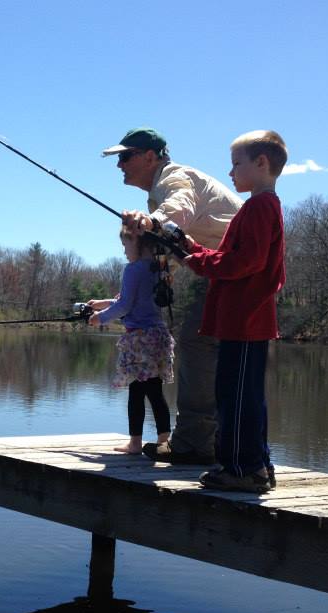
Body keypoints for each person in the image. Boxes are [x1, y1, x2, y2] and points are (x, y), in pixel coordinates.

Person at [103, 127, 242, 464]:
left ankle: (195, 443)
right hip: (229, 273)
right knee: (210, 349)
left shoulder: (174, 178)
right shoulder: (158, 191)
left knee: (197, 342)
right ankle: (216, 440)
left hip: (233, 272)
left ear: (151, 156)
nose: (119, 165)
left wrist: (153, 221)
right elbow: (170, 255)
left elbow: (180, 207)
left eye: (126, 156)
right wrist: (116, 302)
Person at [181, 130, 287, 493]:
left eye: (236, 164)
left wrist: (197, 260)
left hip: (245, 320)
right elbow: (234, 257)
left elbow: (246, 263)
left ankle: (242, 471)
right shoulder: (262, 207)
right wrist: (192, 248)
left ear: (261, 163)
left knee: (236, 398)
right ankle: (257, 466)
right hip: (246, 321)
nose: (230, 173)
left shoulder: (259, 207)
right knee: (244, 396)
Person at [87, 226, 175, 454]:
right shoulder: (160, 267)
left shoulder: (133, 269)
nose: (124, 251)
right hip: (158, 336)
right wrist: (104, 302)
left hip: (139, 339)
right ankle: (164, 440)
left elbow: (126, 305)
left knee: (136, 391)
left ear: (139, 243)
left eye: (126, 245)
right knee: (155, 391)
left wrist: (101, 318)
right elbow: (136, 300)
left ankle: (135, 443)